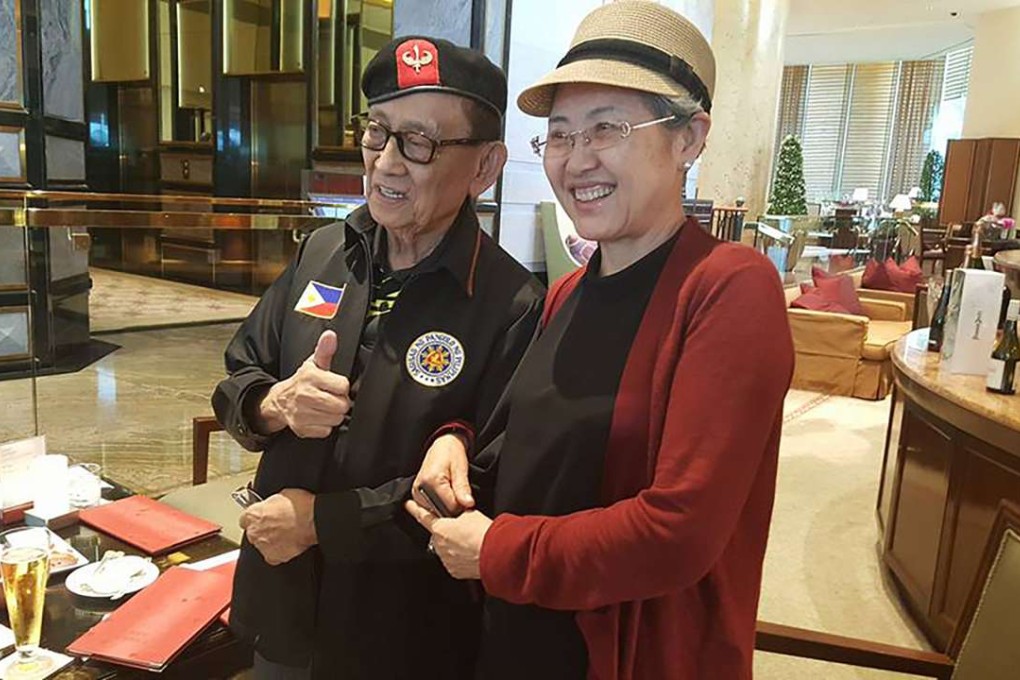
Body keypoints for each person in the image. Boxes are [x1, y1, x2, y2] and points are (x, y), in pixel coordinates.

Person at [405, 3, 795, 679]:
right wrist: (456, 442)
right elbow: (528, 436)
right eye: (558, 134)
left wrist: (498, 551)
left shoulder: (729, 290)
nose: (576, 159)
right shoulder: (568, 291)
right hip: (518, 636)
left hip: (628, 654)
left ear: (689, 138)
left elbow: (679, 533)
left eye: (606, 127)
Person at [212, 36, 544, 679]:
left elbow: (486, 485)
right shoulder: (324, 251)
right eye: (377, 134)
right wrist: (274, 403)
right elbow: (239, 372)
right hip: (279, 598)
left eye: (418, 144)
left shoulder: (512, 304)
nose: (386, 164)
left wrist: (321, 523)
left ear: (484, 167)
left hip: (398, 631)